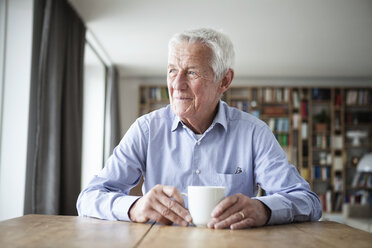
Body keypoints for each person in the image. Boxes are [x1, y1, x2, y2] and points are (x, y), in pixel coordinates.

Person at [77, 28, 322, 229]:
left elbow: (308, 201)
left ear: (224, 81)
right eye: (172, 71)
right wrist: (134, 207)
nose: (177, 85)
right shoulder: (146, 129)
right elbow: (88, 198)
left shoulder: (253, 133)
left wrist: (264, 209)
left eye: (191, 72)